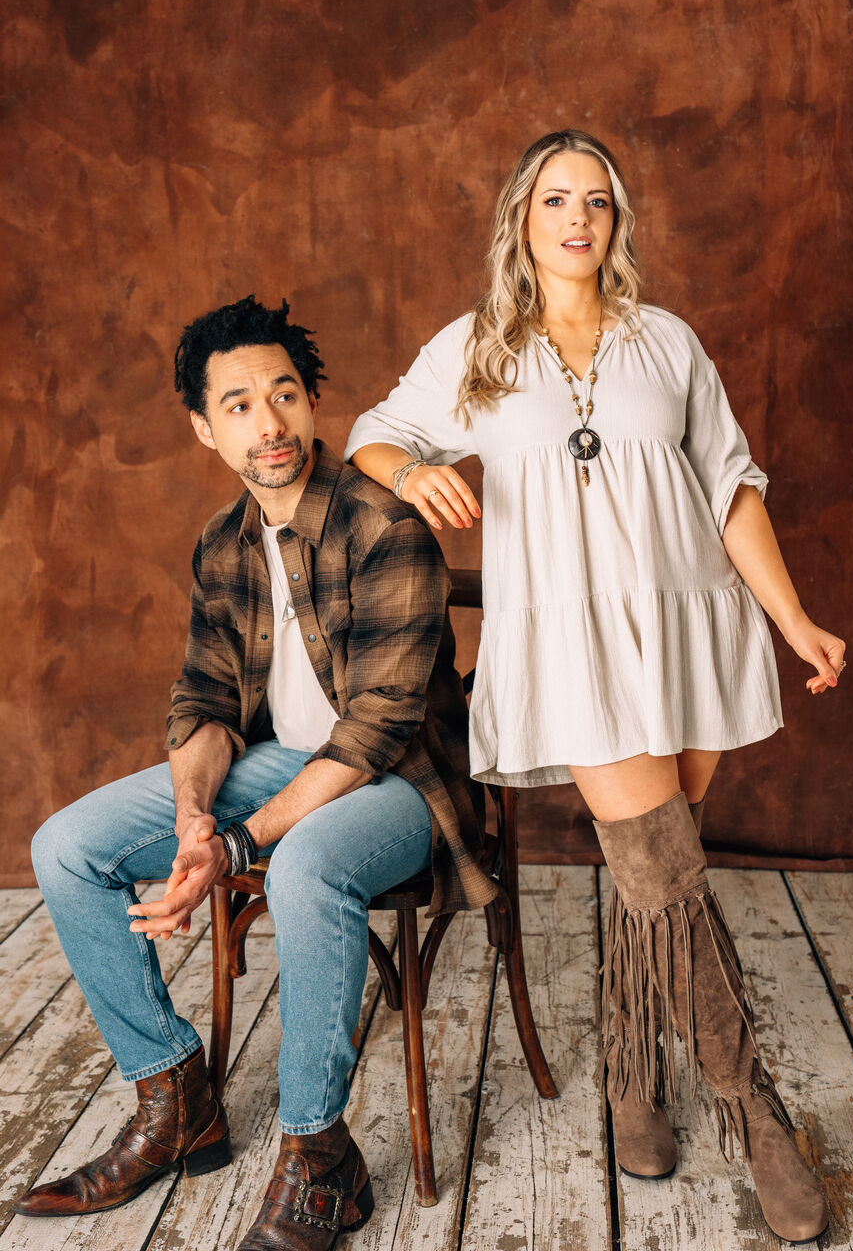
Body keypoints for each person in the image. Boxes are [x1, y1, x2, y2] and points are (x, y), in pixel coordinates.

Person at [346, 130, 846, 1244]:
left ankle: (630, 1079)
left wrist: (791, 617)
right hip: (571, 651)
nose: (578, 220)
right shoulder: (477, 348)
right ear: (520, 218)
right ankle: (750, 1108)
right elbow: (371, 434)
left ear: (617, 224)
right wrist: (418, 467)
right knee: (664, 872)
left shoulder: (666, 342)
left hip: (687, 629)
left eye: (599, 203)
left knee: (651, 877)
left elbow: (730, 486)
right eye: (555, 200)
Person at [14, 295, 495, 1251]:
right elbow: (201, 704)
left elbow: (380, 725)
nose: (268, 423)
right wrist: (197, 814)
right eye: (238, 405)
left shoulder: (384, 522)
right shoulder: (220, 544)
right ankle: (174, 1098)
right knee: (64, 847)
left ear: (313, 403)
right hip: (279, 763)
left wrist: (241, 839)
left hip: (405, 782)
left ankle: (320, 1156)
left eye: (284, 394)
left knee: (306, 864)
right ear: (204, 428)